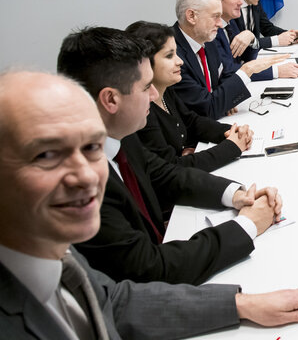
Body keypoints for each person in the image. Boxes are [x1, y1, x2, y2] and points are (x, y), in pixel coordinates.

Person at [0, 71, 298, 338]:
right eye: (46, 155)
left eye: (91, 147)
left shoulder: (54, 252)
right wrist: (247, 224)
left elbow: (112, 302)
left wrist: (241, 305)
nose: (87, 176)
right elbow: (145, 270)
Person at [57, 27, 282, 285]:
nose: (153, 96)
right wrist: (246, 226)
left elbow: (165, 175)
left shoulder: (116, 135)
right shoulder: (81, 183)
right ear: (110, 99)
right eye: (145, 88)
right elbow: (149, 268)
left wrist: (237, 194)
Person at [127, 20, 252, 172]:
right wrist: (231, 147)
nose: (180, 61)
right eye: (169, 56)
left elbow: (192, 121)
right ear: (145, 63)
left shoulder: (166, 90)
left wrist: (230, 131)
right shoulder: (143, 112)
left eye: (177, 53)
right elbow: (173, 167)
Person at [172, 0, 288, 119]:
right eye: (215, 16)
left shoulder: (206, 39)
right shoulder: (172, 55)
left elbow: (225, 75)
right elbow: (207, 109)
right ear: (191, 16)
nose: (220, 24)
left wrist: (224, 98)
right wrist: (246, 70)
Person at [207, 0, 298, 81]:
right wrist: (276, 71)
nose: (241, 2)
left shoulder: (230, 22)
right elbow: (227, 72)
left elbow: (246, 57)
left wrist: (251, 38)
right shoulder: (211, 30)